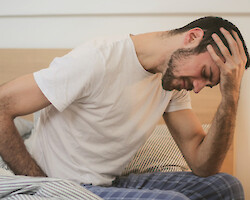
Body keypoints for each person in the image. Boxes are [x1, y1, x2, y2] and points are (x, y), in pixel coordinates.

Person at [0, 16, 249, 200]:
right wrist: (44, 185)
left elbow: (203, 165)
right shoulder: (99, 59)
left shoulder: (173, 84)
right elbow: (2, 104)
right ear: (192, 37)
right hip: (64, 184)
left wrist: (230, 96)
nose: (197, 87)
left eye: (208, 85)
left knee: (227, 186)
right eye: (204, 73)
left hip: (106, 183)